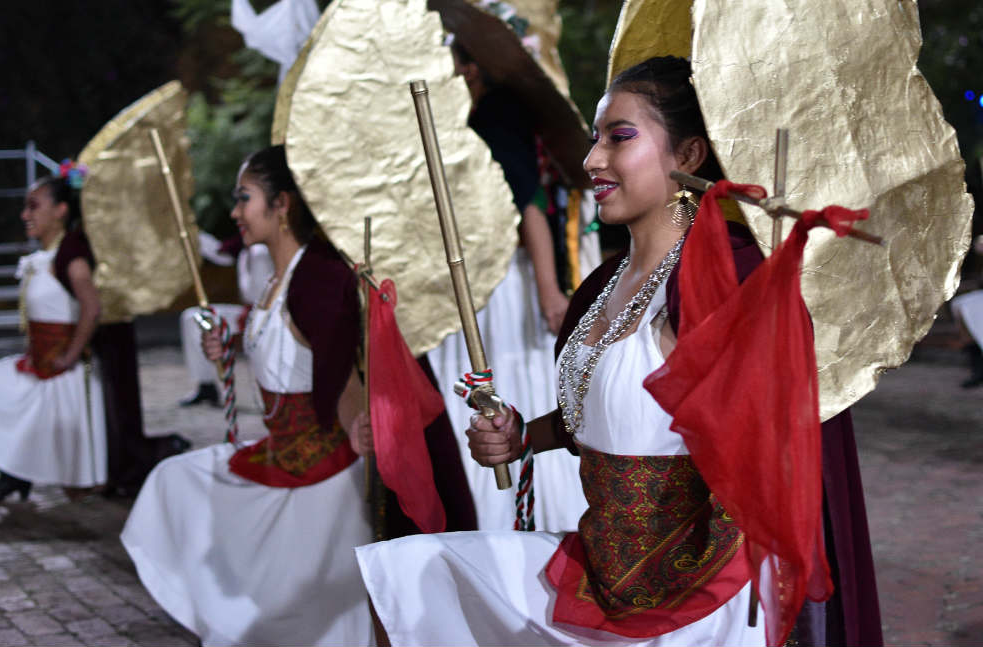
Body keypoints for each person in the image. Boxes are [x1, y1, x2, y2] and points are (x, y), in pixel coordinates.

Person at [358, 57, 882, 646]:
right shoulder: (602, 284)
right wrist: (524, 435)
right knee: (404, 581)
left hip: (701, 595)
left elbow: (779, 447)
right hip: (603, 573)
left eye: (620, 137)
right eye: (593, 139)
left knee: (411, 581)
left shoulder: (728, 278)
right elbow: (618, 416)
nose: (592, 160)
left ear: (688, 157)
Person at [120, 144, 374, 646]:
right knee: (174, 480)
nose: (235, 212)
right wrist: (226, 352)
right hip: (278, 451)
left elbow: (345, 373)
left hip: (317, 468)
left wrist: (356, 424)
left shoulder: (318, 277)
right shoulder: (275, 278)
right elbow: (283, 360)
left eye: (245, 199)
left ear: (282, 205)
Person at [426, 41, 588, 533]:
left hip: (501, 286)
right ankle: (483, 509)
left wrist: (548, 289)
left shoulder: (496, 115)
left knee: (506, 380)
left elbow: (529, 204)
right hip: (476, 281)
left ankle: (509, 513)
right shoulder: (466, 120)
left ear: (472, 69)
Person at [0, 170, 107, 505]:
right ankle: (13, 476)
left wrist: (70, 356)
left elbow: (92, 307)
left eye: (33, 206)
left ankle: (13, 477)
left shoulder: (71, 255)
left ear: (60, 210)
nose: (25, 215)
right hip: (37, 365)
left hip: (60, 373)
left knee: (10, 412)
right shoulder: (46, 257)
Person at [177, 233, 273, 406]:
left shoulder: (263, 250)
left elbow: (262, 294)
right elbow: (219, 254)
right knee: (193, 318)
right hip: (246, 313)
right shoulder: (244, 249)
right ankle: (205, 385)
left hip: (266, 316)